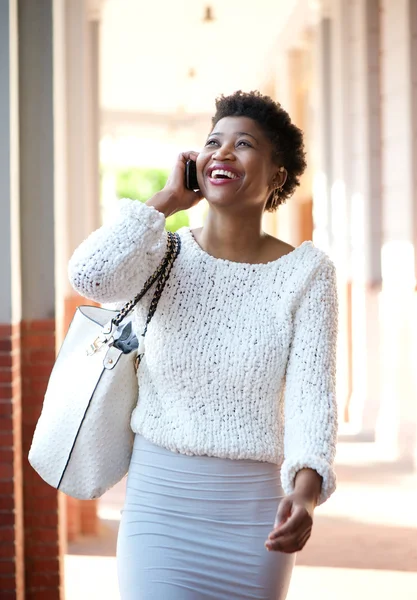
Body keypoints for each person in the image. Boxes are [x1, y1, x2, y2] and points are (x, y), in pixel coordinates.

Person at [68, 90, 338, 600]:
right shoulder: (162, 251)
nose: (223, 152)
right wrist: (167, 202)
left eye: (244, 144)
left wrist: (304, 497)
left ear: (277, 175)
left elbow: (312, 399)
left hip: (254, 515)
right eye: (213, 142)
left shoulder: (307, 274)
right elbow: (89, 274)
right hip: (160, 506)